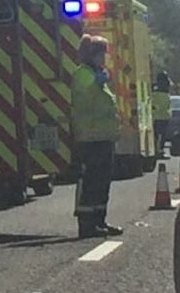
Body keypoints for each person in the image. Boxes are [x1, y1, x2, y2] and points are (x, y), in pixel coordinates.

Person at [71, 34, 123, 239]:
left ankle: (99, 220)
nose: (103, 58)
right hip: (90, 137)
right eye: (100, 54)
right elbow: (86, 97)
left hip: (103, 137)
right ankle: (87, 224)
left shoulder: (96, 72)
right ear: (90, 55)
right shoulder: (83, 73)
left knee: (102, 180)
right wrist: (98, 83)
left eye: (104, 54)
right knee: (92, 181)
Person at [152, 71, 172, 159]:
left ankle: (157, 151)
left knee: (156, 135)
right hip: (163, 117)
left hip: (155, 117)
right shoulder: (165, 90)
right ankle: (160, 151)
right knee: (161, 135)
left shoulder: (155, 91)